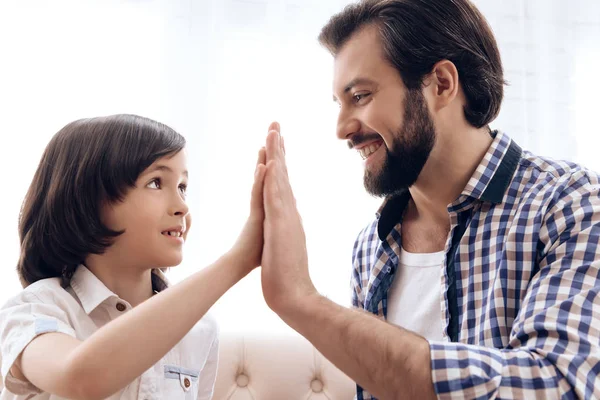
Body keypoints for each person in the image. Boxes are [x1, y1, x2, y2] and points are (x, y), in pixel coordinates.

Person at [258, 0, 600, 399]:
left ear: (441, 83)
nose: (342, 128)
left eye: (361, 96)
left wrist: (303, 301)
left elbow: (558, 385)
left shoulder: (571, 205)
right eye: (340, 104)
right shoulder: (371, 248)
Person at [0, 114, 267, 400]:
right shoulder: (35, 310)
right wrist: (236, 262)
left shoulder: (200, 328)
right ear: (90, 199)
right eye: (155, 182)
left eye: (182, 187)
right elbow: (79, 378)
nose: (181, 207)